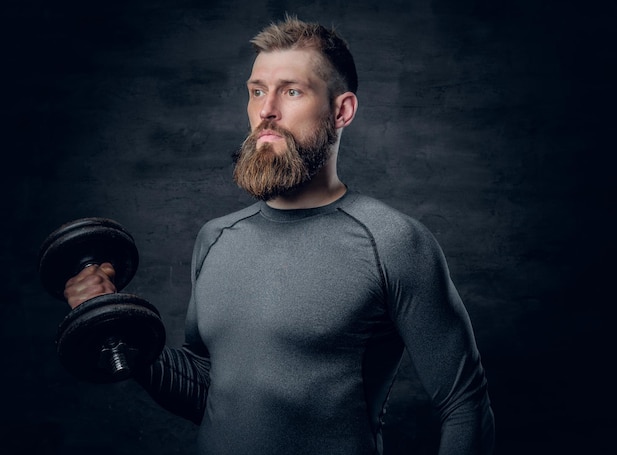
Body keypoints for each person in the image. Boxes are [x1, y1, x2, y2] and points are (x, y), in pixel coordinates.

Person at [64, 15, 495, 455]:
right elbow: (211, 395)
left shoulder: (393, 242)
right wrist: (113, 321)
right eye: (256, 91)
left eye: (292, 91)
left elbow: (465, 403)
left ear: (341, 110)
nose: (266, 109)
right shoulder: (215, 239)